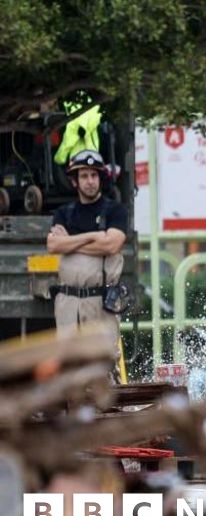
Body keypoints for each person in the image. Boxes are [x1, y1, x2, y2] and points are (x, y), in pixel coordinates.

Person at [46, 149, 128, 370]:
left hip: (100, 301)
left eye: (94, 176)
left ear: (100, 178)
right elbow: (54, 245)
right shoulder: (64, 213)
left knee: (103, 365)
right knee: (68, 368)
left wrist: (70, 243)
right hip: (68, 303)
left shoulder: (115, 210)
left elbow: (112, 244)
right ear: (75, 181)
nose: (90, 181)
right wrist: (93, 237)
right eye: (84, 176)